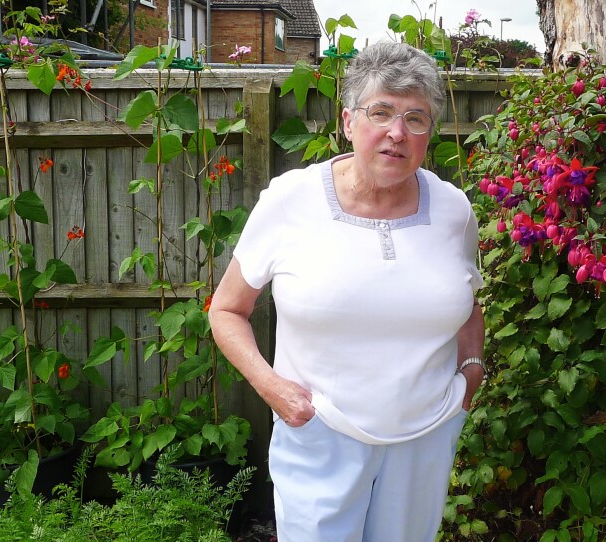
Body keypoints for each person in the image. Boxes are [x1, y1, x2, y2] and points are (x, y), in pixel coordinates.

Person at [207, 41, 485, 541]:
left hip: (425, 439)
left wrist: (471, 370)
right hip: (320, 433)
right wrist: (273, 389)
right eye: (380, 112)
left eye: (415, 118)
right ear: (348, 121)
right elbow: (226, 310)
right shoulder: (291, 201)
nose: (396, 133)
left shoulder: (454, 210)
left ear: (429, 132)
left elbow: (466, 305)